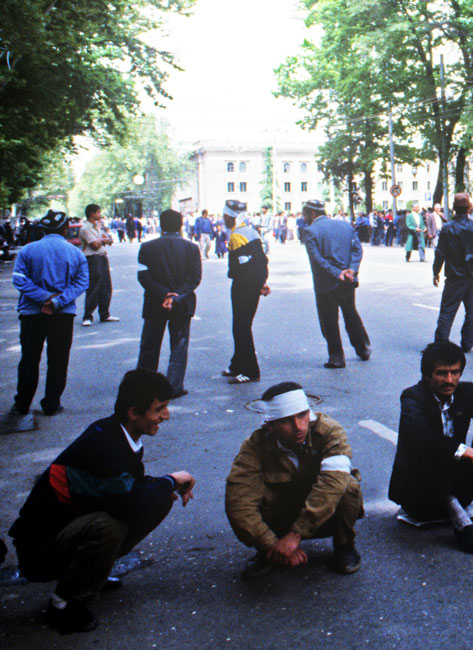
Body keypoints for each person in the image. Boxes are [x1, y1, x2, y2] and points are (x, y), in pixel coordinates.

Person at [8, 370, 194, 634]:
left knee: (158, 498)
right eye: (159, 409)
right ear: (133, 412)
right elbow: (127, 500)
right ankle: (64, 603)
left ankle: (92, 572)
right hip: (39, 550)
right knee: (110, 524)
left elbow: (128, 489)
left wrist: (169, 484)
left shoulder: (117, 433)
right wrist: (171, 480)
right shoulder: (105, 444)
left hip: (65, 528)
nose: (166, 416)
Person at [390, 342, 473, 554]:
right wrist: (471, 454)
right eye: (441, 373)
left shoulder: (465, 393)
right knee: (429, 450)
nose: (449, 380)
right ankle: (462, 523)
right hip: (421, 495)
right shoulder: (413, 398)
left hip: (455, 483)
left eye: (455, 372)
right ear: (427, 375)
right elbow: (423, 437)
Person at [225, 382, 362, 578]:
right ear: (270, 426)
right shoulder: (254, 447)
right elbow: (238, 502)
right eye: (286, 421)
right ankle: (271, 552)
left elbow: (333, 484)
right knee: (253, 493)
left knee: (346, 486)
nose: (298, 427)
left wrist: (296, 534)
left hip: (322, 516)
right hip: (281, 517)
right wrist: (270, 543)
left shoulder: (330, 432)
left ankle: (344, 544)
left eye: (302, 415)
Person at [11, 210, 89, 416]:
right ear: (65, 229)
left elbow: (19, 279)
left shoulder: (27, 251)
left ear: (43, 230)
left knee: (29, 358)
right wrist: (57, 301)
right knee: (58, 359)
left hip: (31, 313)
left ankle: (23, 403)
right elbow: (82, 282)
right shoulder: (76, 253)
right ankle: (52, 403)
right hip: (63, 314)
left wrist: (42, 297)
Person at [136, 209, 200, 399]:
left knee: (149, 346)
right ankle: (174, 386)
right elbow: (195, 278)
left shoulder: (147, 248)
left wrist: (163, 294)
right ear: (181, 225)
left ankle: (145, 386)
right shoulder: (192, 248)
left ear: (161, 225)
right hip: (182, 304)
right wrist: (176, 295)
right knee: (179, 347)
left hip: (155, 303)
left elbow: (143, 276)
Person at [303, 199, 371, 368]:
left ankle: (337, 357)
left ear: (312, 213)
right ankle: (362, 349)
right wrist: (351, 270)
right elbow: (357, 250)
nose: (303, 217)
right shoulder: (345, 226)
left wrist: (337, 273)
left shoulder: (310, 231)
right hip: (348, 281)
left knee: (329, 320)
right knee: (351, 314)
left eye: (304, 213)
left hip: (326, 284)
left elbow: (317, 259)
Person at [433, 193, 473, 352]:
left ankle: (441, 344)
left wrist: (435, 272)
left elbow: (440, 252)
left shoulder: (448, 228)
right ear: (469, 208)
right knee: (471, 312)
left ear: (454, 209)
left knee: (447, 311)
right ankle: (467, 343)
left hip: (454, 276)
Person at [222, 200, 271, 384]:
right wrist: (262, 283)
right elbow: (262, 261)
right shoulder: (251, 231)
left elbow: (244, 268)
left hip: (243, 286)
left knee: (241, 327)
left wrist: (254, 284)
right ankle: (236, 364)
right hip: (253, 285)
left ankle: (250, 370)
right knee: (242, 326)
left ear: (228, 216)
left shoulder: (236, 236)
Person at [77, 204, 118, 327]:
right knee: (94, 286)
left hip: (102, 257)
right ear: (92, 213)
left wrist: (103, 240)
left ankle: (105, 314)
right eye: (98, 212)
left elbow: (109, 240)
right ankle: (87, 316)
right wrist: (103, 240)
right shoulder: (85, 228)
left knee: (106, 286)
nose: (100, 215)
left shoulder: (97, 228)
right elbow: (94, 245)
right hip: (92, 259)